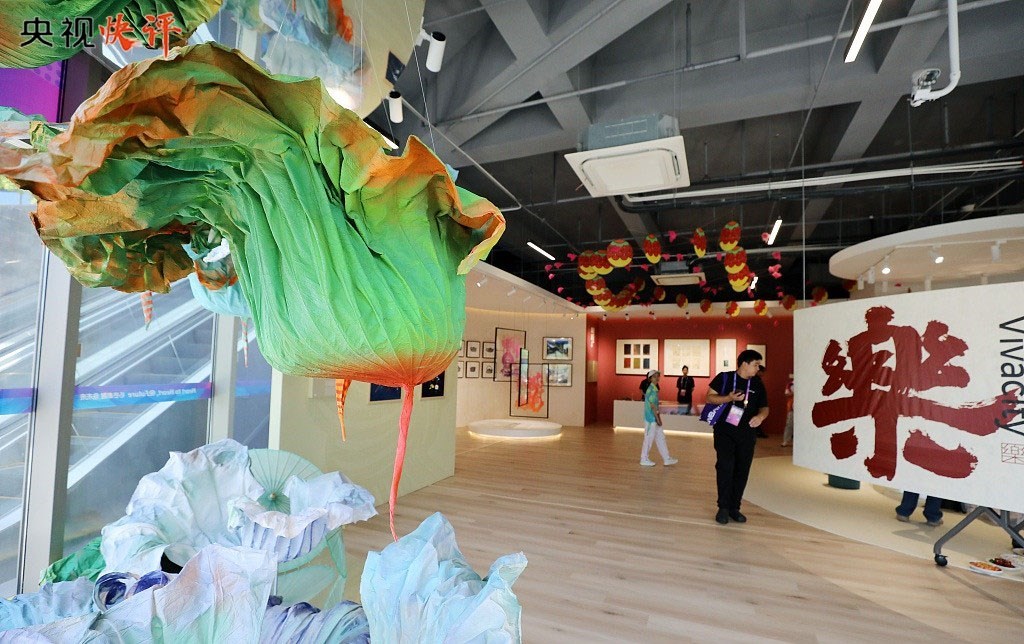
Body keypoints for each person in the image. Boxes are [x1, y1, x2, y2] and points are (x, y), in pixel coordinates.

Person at [705, 349, 768, 524]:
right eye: (756, 364)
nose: (758, 368)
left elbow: (765, 407)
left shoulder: (757, 383)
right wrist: (728, 397)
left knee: (742, 470)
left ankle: (735, 508)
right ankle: (723, 507)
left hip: (747, 434)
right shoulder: (724, 377)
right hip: (724, 431)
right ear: (744, 364)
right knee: (725, 467)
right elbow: (709, 398)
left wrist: (760, 417)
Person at [640, 369, 678, 467]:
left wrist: (658, 418)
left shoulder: (654, 389)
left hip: (654, 418)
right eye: (654, 376)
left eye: (658, 376)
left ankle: (666, 458)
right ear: (650, 378)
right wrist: (657, 419)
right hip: (651, 419)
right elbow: (653, 406)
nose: (657, 378)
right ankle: (644, 459)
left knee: (661, 438)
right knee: (648, 439)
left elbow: (655, 406)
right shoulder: (652, 390)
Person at [753, 364, 768, 438]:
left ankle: (758, 432)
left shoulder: (757, 380)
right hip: (755, 404)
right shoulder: (756, 380)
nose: (763, 374)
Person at [780, 376, 794, 447]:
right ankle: (786, 440)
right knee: (789, 424)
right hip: (792, 407)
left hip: (803, 408)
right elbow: (786, 394)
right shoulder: (790, 384)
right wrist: (794, 393)